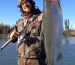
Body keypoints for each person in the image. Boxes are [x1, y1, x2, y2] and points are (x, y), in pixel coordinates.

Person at [8, 0, 47, 65]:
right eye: (22, 4)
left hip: (38, 60)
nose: (25, 4)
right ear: (21, 7)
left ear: (32, 3)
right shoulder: (19, 22)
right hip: (21, 60)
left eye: (27, 1)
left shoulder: (43, 17)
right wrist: (11, 36)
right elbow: (11, 36)